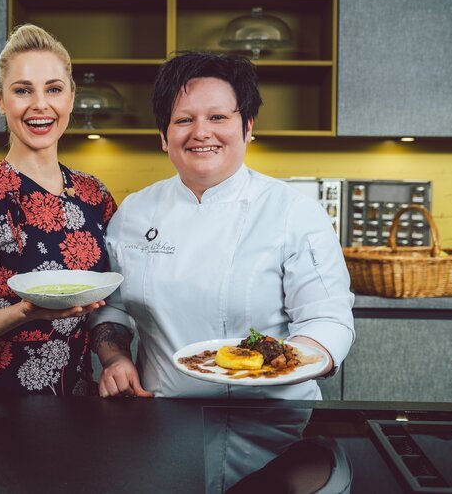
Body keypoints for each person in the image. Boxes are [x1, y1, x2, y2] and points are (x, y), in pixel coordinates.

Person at [91, 51, 355, 399]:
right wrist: (116, 359)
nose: (201, 132)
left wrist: (277, 365)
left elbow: (328, 320)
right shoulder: (135, 212)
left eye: (217, 117)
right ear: (163, 135)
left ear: (247, 128)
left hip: (272, 427)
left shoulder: (294, 212)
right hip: (161, 422)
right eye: (184, 120)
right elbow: (113, 307)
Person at [0, 24, 117, 396]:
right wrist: (24, 313)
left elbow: (105, 308)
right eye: (22, 91)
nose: (40, 105)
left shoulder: (95, 196)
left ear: (71, 98)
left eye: (54, 89)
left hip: (76, 404)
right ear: (0, 100)